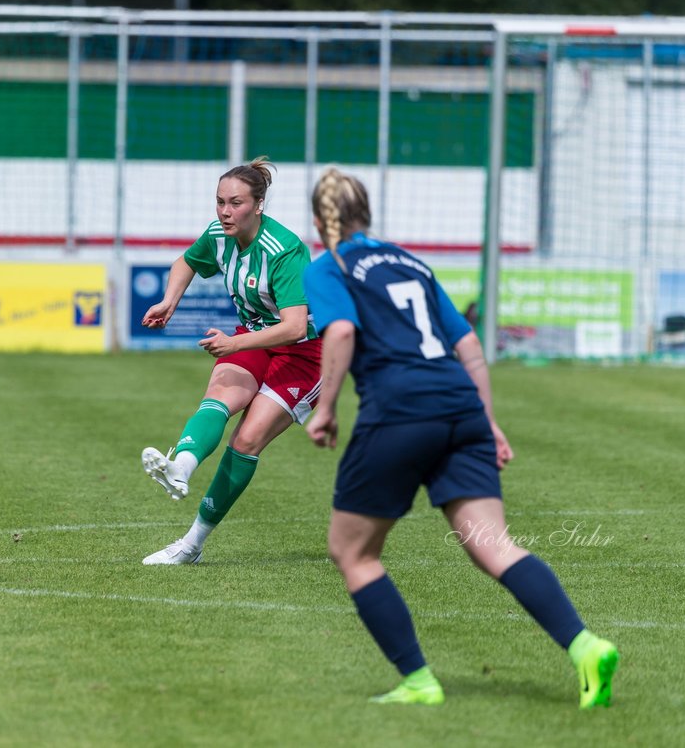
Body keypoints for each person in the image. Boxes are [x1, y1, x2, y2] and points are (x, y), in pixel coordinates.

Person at [302, 166, 619, 708]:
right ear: (368, 213)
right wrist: (488, 420)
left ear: (318, 221)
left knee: (352, 552)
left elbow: (342, 330)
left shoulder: (327, 266)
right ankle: (585, 646)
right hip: (460, 405)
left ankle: (419, 681)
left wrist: (325, 407)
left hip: (400, 410)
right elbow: (469, 346)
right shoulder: (409, 261)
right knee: (494, 545)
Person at [139, 157, 321, 565]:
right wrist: (170, 301)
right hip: (255, 336)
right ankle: (179, 467)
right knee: (220, 395)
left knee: (247, 439)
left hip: (306, 354)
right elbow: (185, 262)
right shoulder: (218, 234)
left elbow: (293, 327)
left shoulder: (286, 250)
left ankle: (191, 546)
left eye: (235, 203)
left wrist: (235, 346)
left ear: (258, 205)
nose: (224, 211)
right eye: (219, 201)